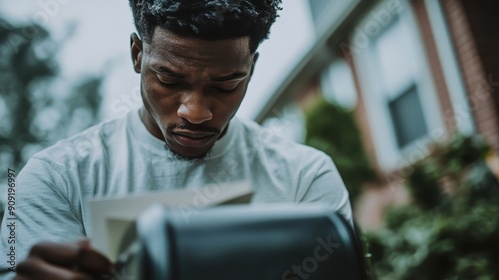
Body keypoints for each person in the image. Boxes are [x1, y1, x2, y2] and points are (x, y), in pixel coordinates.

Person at [0, 0, 352, 279]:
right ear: (138, 54)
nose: (195, 112)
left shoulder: (306, 177)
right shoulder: (53, 178)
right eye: (169, 80)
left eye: (225, 85)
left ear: (252, 68)